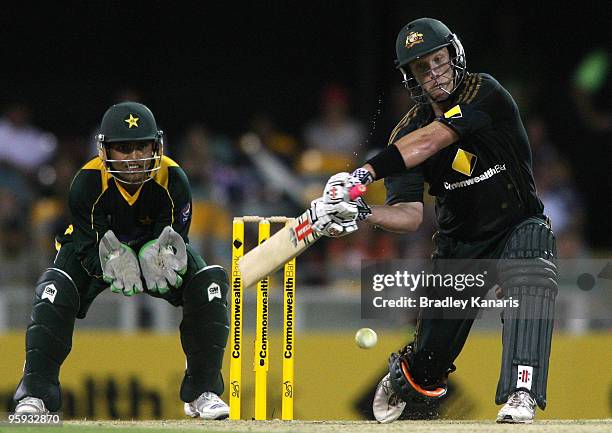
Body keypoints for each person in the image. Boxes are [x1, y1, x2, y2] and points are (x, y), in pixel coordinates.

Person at [310, 18, 557, 424]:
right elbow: (408, 216)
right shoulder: (406, 131)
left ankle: (521, 391)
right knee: (425, 369)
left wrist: (362, 176)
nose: (434, 73)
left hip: (517, 226)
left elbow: (433, 141)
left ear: (453, 55)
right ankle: (406, 378)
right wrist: (362, 211)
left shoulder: (484, 91)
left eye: (437, 60)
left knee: (532, 266)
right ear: (412, 78)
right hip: (460, 248)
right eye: (421, 68)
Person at [12, 102, 230, 420]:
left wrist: (158, 255)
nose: (133, 158)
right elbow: (87, 248)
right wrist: (110, 263)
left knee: (209, 283)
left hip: (153, 250)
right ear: (105, 151)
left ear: (156, 146)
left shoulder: (174, 179)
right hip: (97, 249)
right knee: (53, 289)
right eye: (123, 149)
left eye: (141, 147)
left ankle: (202, 392)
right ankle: (36, 393)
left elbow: (174, 241)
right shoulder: (86, 183)